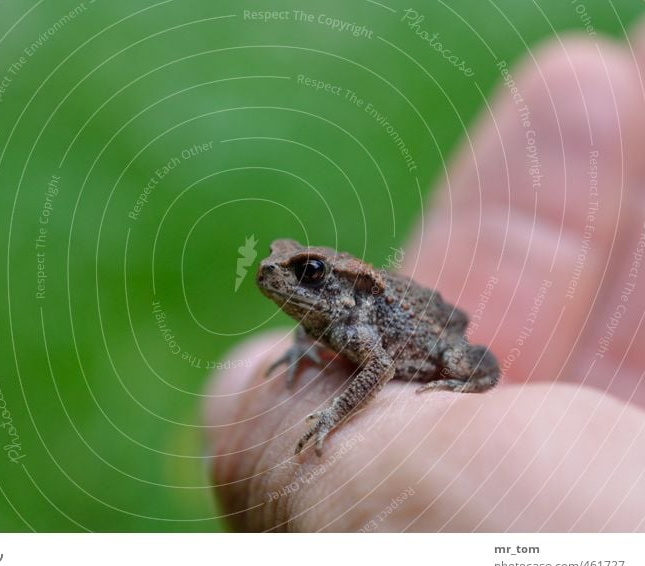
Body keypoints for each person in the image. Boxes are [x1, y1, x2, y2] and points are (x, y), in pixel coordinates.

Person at [204, 29, 645, 531]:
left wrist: (330, 416)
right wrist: (299, 344)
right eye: (279, 262)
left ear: (336, 284)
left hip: (428, 338)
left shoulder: (355, 320)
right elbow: (317, 326)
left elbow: (378, 366)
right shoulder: (327, 317)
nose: (273, 272)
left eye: (304, 273)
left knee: (462, 359)